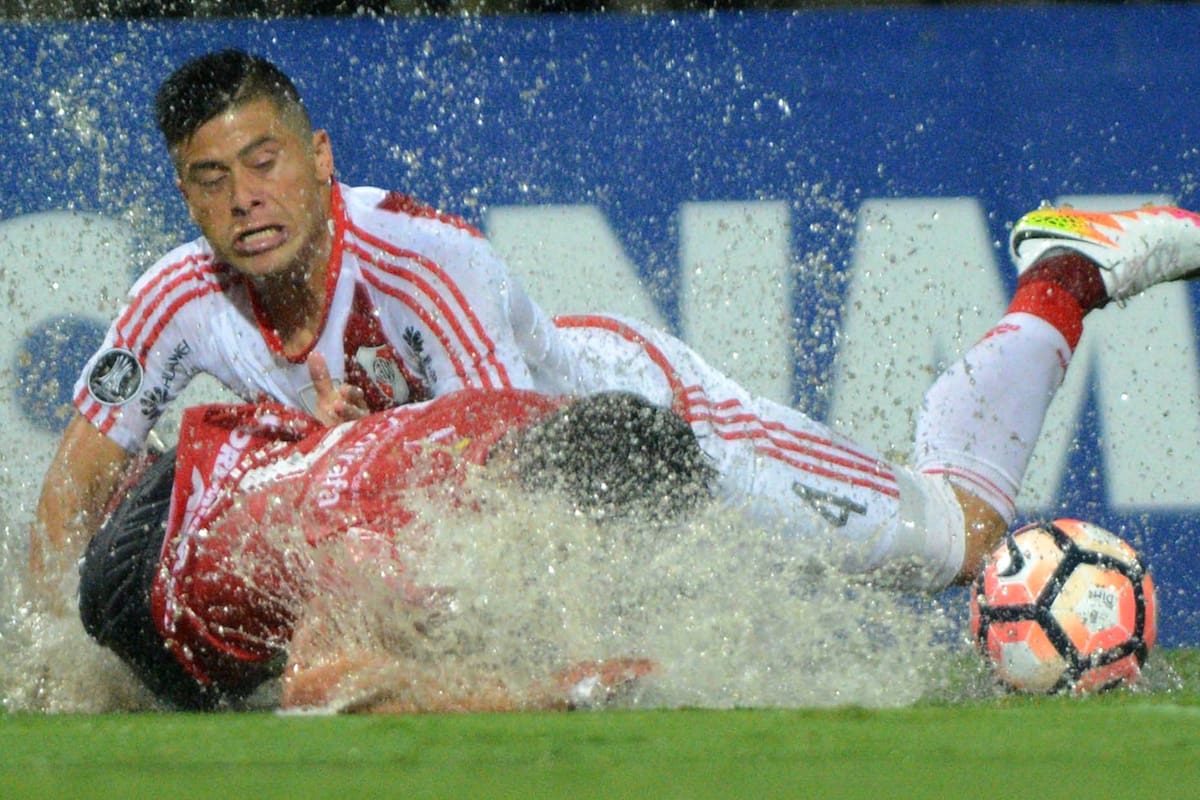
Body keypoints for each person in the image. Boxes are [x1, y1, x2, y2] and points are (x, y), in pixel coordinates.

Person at [34, 49, 1200, 670]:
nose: (246, 200)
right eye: (210, 178)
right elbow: (77, 484)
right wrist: (51, 652)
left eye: (266, 159)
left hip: (637, 426)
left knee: (965, 541)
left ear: (320, 154)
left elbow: (508, 464)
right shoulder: (176, 297)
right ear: (183, 195)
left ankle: (1067, 274)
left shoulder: (426, 263)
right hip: (551, 499)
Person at [80, 388, 713, 710]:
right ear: (566, 517)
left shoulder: (529, 416)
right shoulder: (399, 547)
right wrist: (529, 698)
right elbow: (314, 689)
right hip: (149, 589)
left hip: (236, 458)